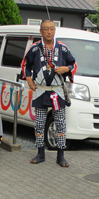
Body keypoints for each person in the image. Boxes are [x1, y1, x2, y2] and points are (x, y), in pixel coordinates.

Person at [23, 19, 76, 167]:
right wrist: (28, 79)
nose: (49, 31)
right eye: (46, 29)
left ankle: (61, 155)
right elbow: (25, 64)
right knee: (39, 124)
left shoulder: (63, 48)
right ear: (41, 31)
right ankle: (40, 153)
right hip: (40, 90)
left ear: (55, 31)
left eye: (52, 29)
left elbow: (73, 64)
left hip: (57, 91)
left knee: (60, 124)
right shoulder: (34, 48)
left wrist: (66, 69)